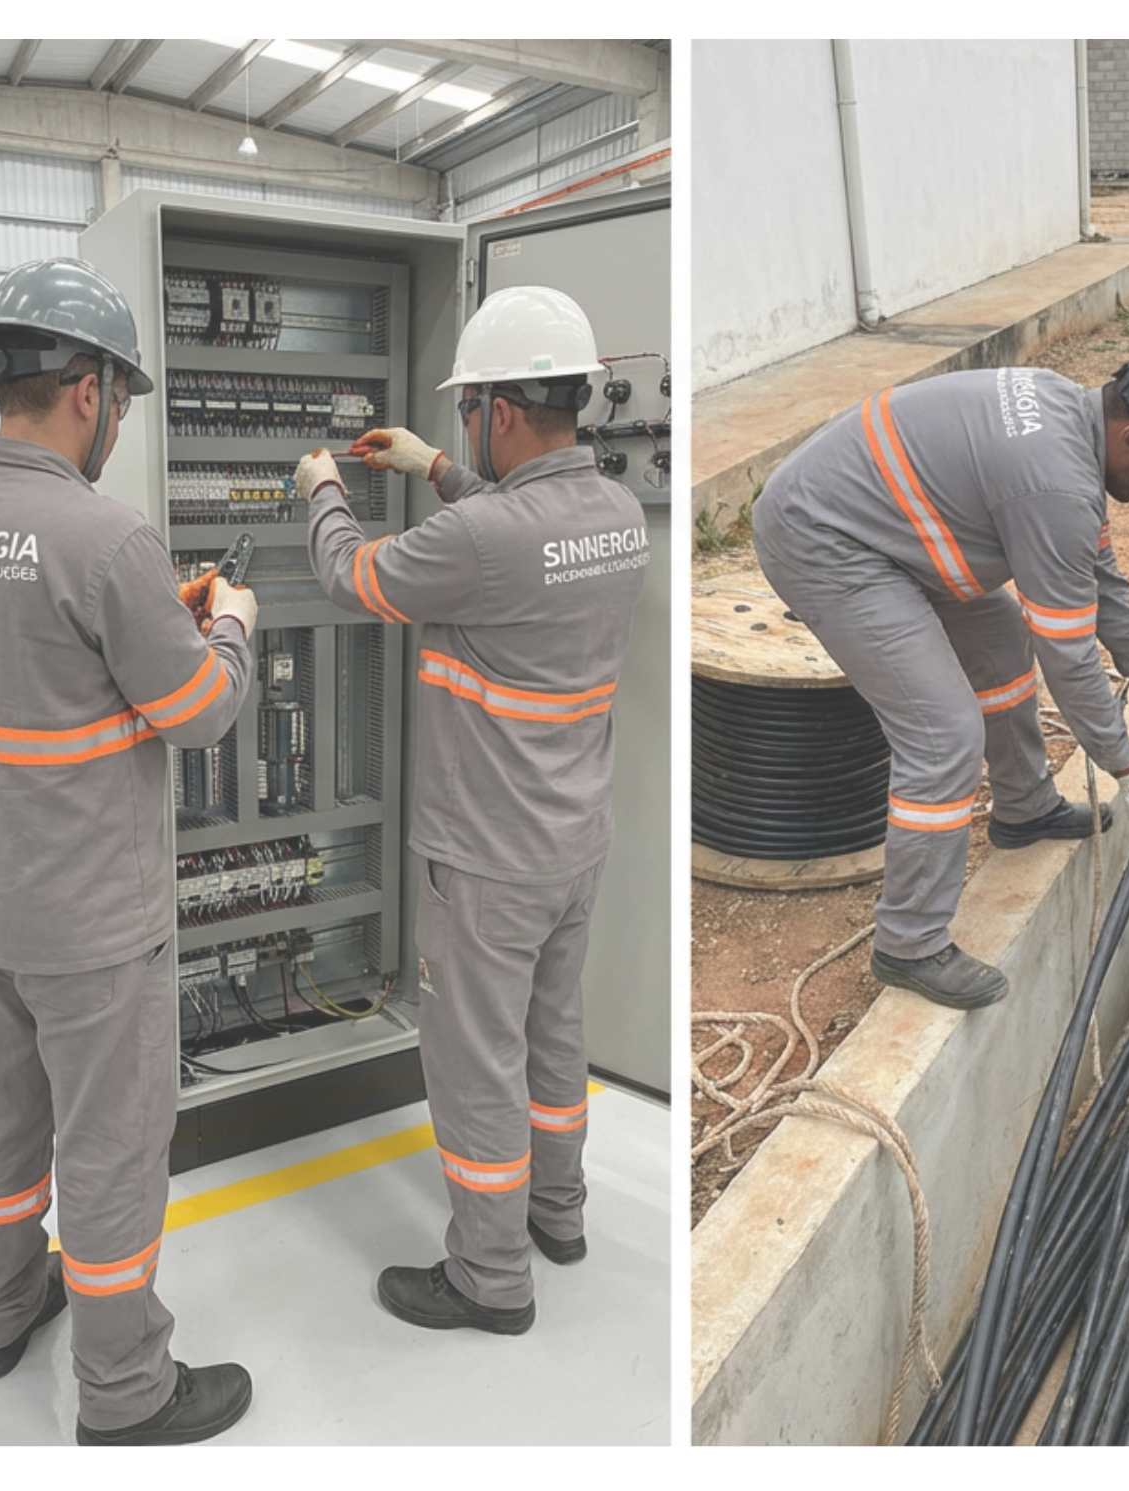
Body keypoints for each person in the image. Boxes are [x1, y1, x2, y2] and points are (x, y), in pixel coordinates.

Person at [0, 257, 258, 1446]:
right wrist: (234, 631)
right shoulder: (107, 542)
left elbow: (9, 683)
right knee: (109, 1151)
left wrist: (155, 625)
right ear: (90, 390)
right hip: (93, 931)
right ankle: (127, 1394)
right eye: (123, 401)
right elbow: (199, 710)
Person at [305, 285, 648, 1335]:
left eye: (465, 416)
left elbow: (350, 577)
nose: (462, 430)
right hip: (571, 844)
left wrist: (323, 486)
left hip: (487, 858)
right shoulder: (619, 517)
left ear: (498, 409)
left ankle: (489, 1277)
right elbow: (513, 533)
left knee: (474, 1064)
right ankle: (560, 1215)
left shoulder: (488, 539)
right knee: (553, 1040)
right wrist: (434, 468)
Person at [752, 346, 1129, 1009]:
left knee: (1001, 633)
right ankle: (909, 940)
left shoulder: (1072, 424)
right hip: (826, 538)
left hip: (887, 522)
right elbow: (1067, 655)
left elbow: (1102, 584)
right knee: (942, 732)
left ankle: (1024, 806)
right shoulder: (1055, 483)